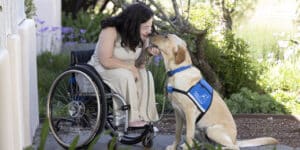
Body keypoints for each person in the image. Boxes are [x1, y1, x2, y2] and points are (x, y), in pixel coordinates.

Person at [88, 2, 160, 127]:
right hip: (102, 68)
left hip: (127, 69)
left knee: (146, 75)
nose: (149, 31)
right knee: (125, 75)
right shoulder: (110, 30)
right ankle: (129, 118)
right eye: (145, 27)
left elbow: (140, 65)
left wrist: (148, 53)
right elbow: (105, 60)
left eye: (150, 26)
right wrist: (130, 67)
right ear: (133, 24)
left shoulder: (142, 36)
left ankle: (145, 116)